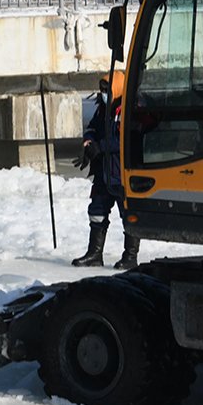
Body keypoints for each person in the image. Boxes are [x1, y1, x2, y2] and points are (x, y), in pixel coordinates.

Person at [73, 76, 134, 269]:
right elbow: (91, 128)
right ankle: (94, 254)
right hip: (102, 171)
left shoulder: (127, 109)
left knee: (128, 215)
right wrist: (89, 143)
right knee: (97, 211)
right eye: (101, 89)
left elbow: (125, 138)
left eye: (107, 89)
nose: (103, 93)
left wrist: (101, 146)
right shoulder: (102, 109)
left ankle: (130, 256)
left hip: (120, 172)